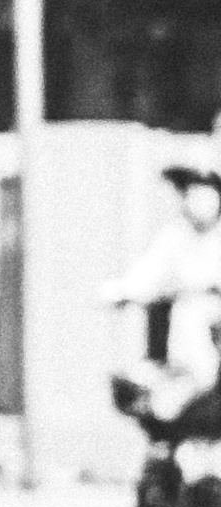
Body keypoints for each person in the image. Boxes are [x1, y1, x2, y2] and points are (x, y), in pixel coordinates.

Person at [105, 156, 221, 427]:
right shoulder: (176, 236)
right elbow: (148, 273)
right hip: (191, 324)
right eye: (191, 188)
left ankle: (191, 381)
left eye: (206, 188)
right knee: (183, 312)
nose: (198, 197)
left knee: (192, 314)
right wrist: (123, 290)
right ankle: (167, 384)